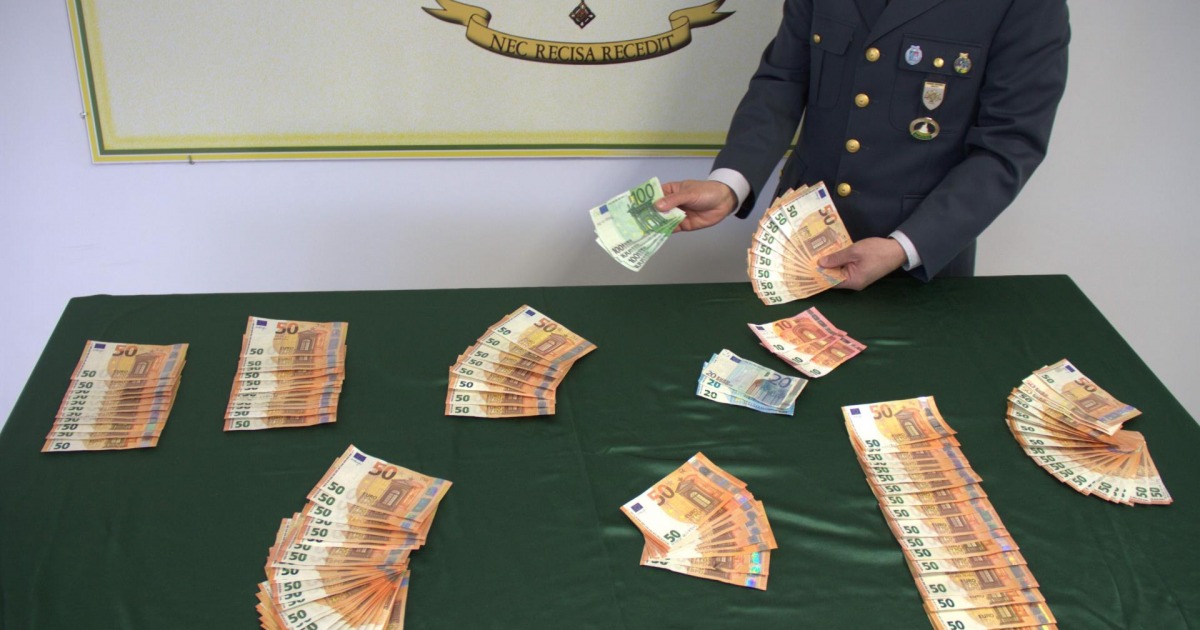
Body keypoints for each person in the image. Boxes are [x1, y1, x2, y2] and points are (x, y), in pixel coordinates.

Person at [655, 0, 1070, 289]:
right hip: (798, 244)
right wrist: (730, 183)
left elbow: (1009, 144)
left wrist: (905, 246)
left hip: (919, 265)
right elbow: (783, 80)